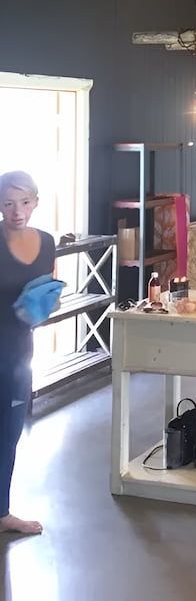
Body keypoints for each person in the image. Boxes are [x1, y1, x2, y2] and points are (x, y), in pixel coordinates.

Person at [0, 170, 56, 535]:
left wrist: (41, 305)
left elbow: (49, 287)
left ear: (35, 201)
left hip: (18, 353)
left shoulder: (48, 242)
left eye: (24, 202)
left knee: (8, 433)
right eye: (7, 203)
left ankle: (1, 513)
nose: (17, 211)